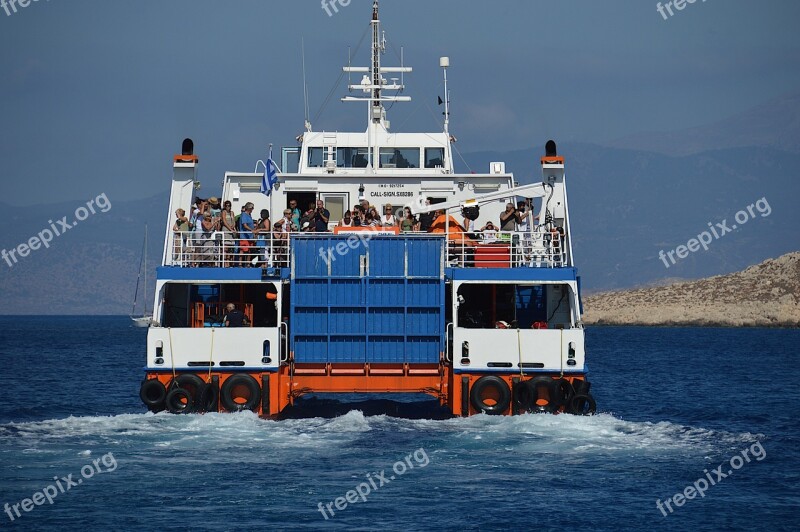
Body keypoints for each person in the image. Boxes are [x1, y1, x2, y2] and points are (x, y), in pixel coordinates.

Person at [220, 201, 236, 266]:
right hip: (226, 230)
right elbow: (224, 221)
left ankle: (228, 263)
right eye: (226, 205)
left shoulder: (232, 213)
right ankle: (225, 263)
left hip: (231, 230)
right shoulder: (224, 212)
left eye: (229, 205)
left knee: (230, 248)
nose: (228, 207)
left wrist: (233, 226)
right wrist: (230, 229)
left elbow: (234, 221)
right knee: (225, 247)